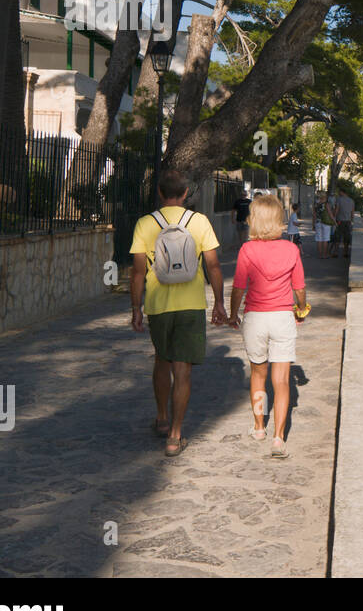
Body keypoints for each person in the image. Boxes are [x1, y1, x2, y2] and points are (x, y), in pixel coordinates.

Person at [130, 169, 227, 457]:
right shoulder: (199, 222)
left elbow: (137, 273)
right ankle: (175, 435)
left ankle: (161, 418)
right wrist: (220, 302)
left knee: (162, 360)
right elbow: (214, 266)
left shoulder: (146, 224)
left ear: (160, 192)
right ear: (186, 193)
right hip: (191, 303)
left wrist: (136, 308)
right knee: (182, 370)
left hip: (159, 306)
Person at [229, 195, 307, 458]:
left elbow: (239, 287)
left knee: (258, 375)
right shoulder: (291, 250)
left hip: (256, 318)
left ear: (254, 219)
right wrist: (301, 310)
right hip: (282, 317)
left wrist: (232, 314)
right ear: (278, 221)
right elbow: (299, 288)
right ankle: (278, 439)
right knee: (282, 380)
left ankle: (259, 426)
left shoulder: (247, 250)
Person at [313, 192, 332, 258]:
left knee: (319, 239)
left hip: (318, 223)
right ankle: (324, 255)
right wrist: (334, 222)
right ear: (325, 197)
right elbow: (330, 214)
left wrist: (313, 225)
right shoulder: (326, 204)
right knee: (325, 239)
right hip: (326, 223)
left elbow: (314, 215)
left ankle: (320, 255)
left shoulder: (316, 204)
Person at [336, 191, 354, 257]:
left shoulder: (339, 199)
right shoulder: (351, 200)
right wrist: (352, 221)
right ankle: (345, 253)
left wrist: (334, 217)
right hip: (348, 221)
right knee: (346, 237)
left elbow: (337, 209)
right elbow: (352, 212)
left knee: (338, 237)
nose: (339, 193)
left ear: (342, 192)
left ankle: (336, 252)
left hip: (340, 221)